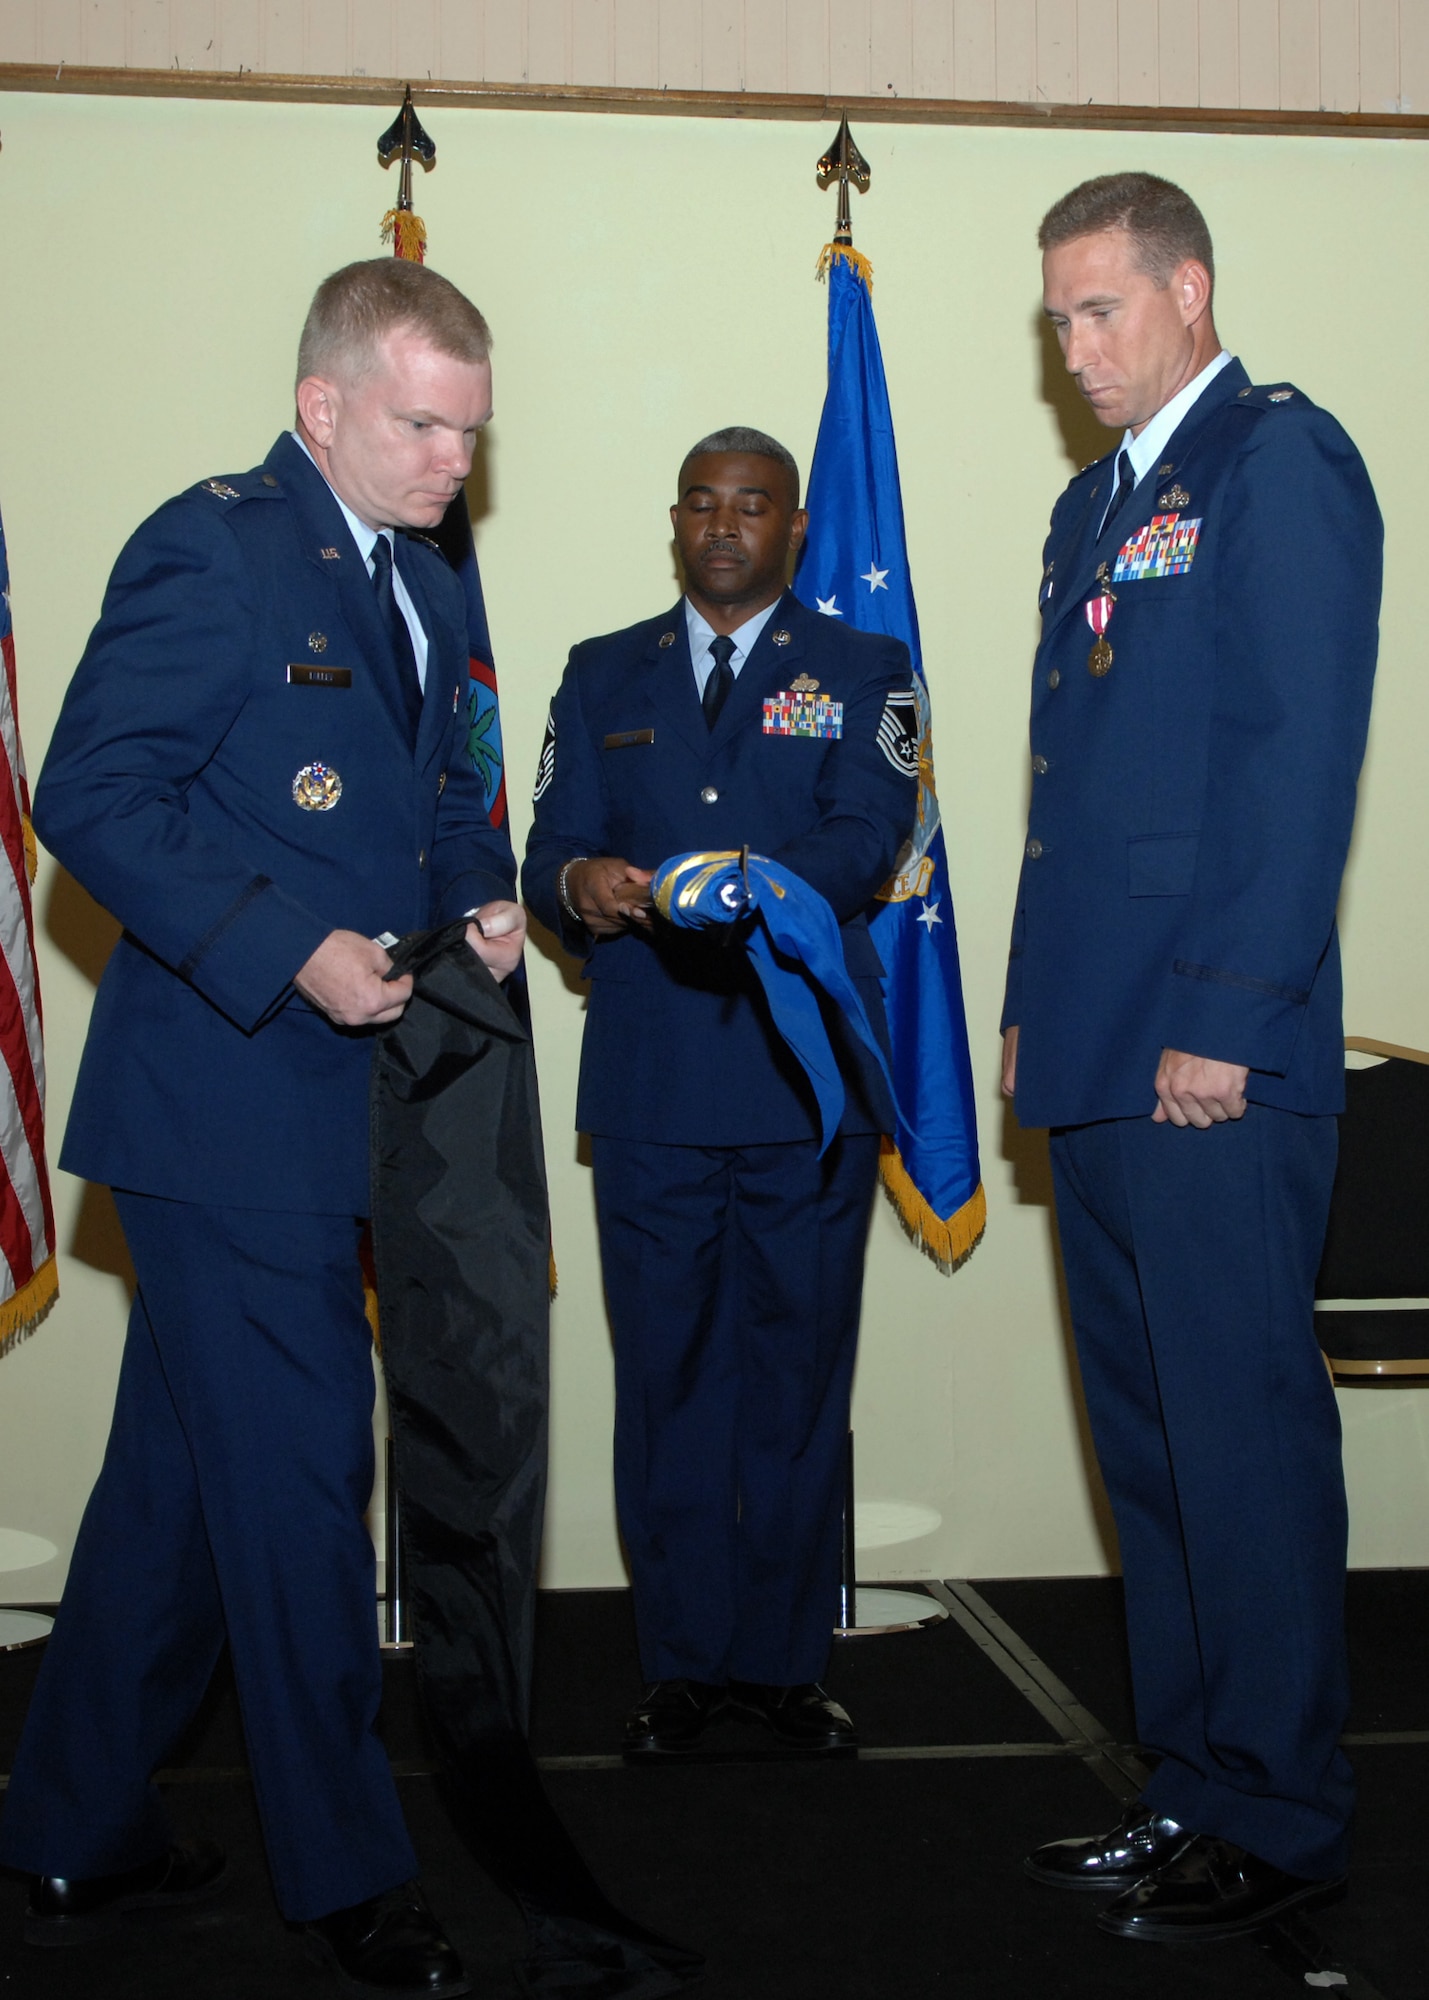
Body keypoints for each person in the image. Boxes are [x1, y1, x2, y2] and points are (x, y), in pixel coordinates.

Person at [0, 258, 524, 1997]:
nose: (456, 456)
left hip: (361, 1106)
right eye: (423, 422)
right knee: (306, 1492)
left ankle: (72, 1822)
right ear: (325, 406)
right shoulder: (213, 547)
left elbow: (449, 784)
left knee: (175, 1490)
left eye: (472, 426)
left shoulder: (429, 574)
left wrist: (482, 897)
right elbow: (88, 788)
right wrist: (277, 944)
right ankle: (348, 1873)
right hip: (225, 1107)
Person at [1002, 173, 1380, 1942]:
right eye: (1055, 319)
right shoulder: (1096, 504)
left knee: (1239, 1444)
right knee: (1148, 1450)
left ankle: (1285, 1811)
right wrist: (1032, 1007)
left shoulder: (1274, 466)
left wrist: (1220, 1019)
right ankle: (1188, 1785)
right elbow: (1069, 807)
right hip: (1098, 1046)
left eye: (1101, 310)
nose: (1074, 350)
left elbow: (1292, 764)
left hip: (1206, 1054)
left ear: (1187, 289)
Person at [524, 428, 917, 1759]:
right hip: (648, 1092)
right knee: (670, 1379)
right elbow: (552, 844)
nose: (723, 524)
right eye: (701, 502)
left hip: (803, 1088)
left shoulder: (866, 669)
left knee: (797, 1381)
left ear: (794, 528)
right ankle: (684, 1663)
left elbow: (867, 840)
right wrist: (578, 887)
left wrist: (736, 878)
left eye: (752, 505)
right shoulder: (599, 672)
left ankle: (783, 1666)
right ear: (674, 519)